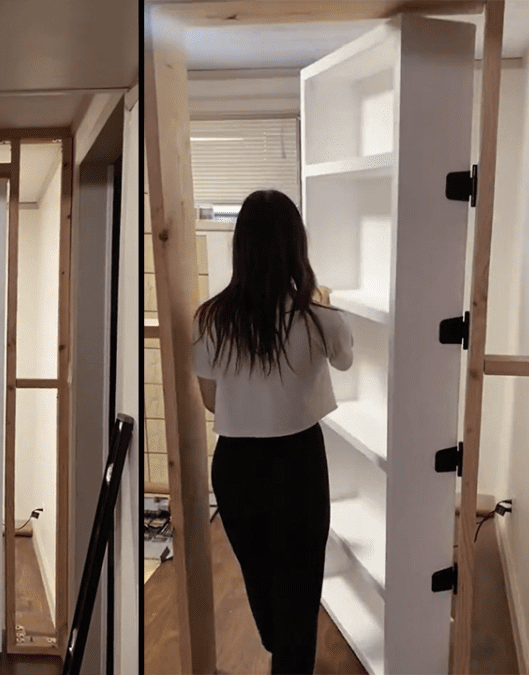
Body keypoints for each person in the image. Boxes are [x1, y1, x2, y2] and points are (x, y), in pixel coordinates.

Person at [193, 189, 354, 675]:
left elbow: (209, 399)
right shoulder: (318, 317)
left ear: (240, 247)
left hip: (236, 468)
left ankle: (279, 644)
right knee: (300, 590)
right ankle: (287, 652)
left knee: (260, 580)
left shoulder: (212, 319)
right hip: (299, 464)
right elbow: (345, 359)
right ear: (295, 246)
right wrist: (319, 301)